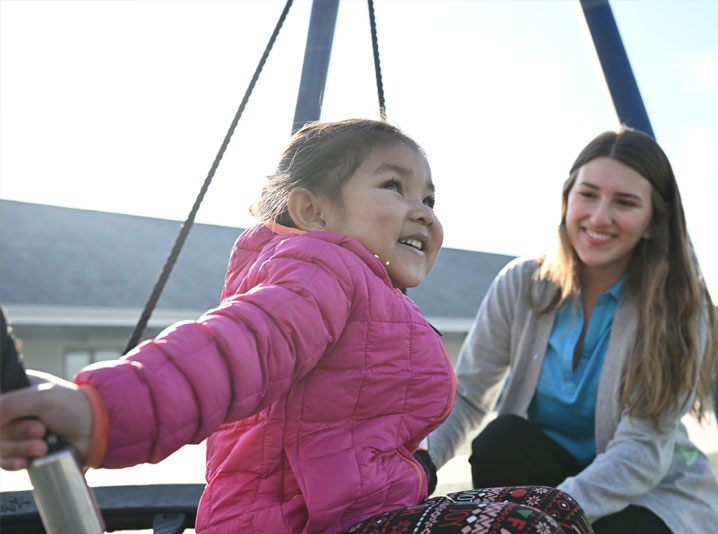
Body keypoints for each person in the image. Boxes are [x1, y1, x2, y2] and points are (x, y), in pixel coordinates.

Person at [0, 119, 592, 534]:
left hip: (352, 516)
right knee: (529, 523)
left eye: (430, 197)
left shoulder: (367, 290)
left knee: (555, 513)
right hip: (295, 523)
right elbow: (236, 352)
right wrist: (98, 412)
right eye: (394, 186)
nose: (423, 211)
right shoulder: (319, 273)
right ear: (313, 211)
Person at [426, 127, 718, 533]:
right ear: (567, 199)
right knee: (501, 440)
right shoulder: (520, 283)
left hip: (648, 492)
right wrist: (419, 465)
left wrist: (545, 516)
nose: (599, 217)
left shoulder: (678, 306)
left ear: (653, 222)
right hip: (550, 477)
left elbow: (640, 451)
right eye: (588, 194)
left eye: (624, 202)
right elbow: (466, 395)